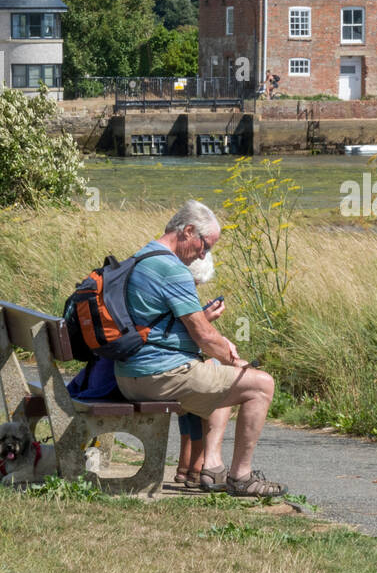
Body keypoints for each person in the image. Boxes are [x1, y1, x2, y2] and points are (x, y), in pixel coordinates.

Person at [113, 200, 285, 497]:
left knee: (218, 373)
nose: (203, 254)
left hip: (129, 374)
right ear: (188, 231)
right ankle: (242, 477)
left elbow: (164, 325)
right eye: (205, 246)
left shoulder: (142, 257)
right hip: (159, 377)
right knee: (260, 385)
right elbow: (203, 335)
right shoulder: (172, 269)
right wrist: (233, 357)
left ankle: (212, 465)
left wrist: (222, 358)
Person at [172, 251, 217, 490]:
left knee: (198, 374)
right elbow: (190, 337)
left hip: (140, 368)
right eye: (196, 283)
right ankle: (199, 465)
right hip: (159, 374)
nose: (195, 288)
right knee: (215, 372)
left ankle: (184, 465)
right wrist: (206, 320)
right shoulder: (178, 287)